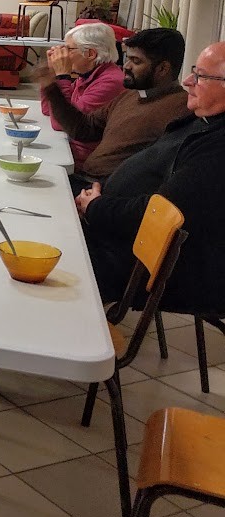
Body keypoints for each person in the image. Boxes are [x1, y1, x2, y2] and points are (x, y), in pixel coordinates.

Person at [76, 42, 225, 311]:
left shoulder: (218, 148)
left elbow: (162, 213)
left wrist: (96, 207)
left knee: (49, 253)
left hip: (141, 262)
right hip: (116, 224)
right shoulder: (203, 120)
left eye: (201, 76)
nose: (189, 81)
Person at [37, 27, 190, 186]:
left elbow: (153, 172)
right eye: (127, 59)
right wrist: (51, 87)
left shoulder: (178, 108)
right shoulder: (131, 94)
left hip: (106, 188)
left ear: (162, 69)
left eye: (136, 61)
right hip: (87, 178)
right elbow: (83, 128)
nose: (126, 66)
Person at [39, 22, 126, 168]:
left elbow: (61, 123)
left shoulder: (110, 82)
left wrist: (62, 77)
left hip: (84, 165)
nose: (63, 55)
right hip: (67, 149)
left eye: (68, 49)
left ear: (90, 54)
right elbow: (48, 110)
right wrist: (51, 73)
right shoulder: (87, 75)